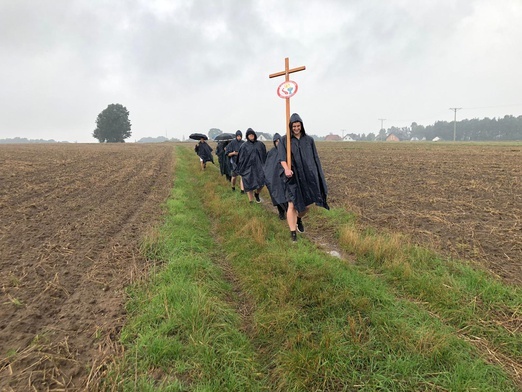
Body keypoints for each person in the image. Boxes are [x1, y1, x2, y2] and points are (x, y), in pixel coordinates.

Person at [278, 113, 329, 241]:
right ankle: (293, 233)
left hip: (306, 177)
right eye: (294, 126)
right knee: (291, 205)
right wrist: (286, 169)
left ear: (301, 126)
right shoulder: (285, 140)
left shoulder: (309, 140)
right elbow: (281, 158)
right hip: (292, 177)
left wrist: (317, 175)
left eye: (298, 126)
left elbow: (315, 159)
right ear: (290, 126)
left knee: (306, 207)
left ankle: (299, 219)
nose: (296, 128)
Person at [236, 128, 267, 203]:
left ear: (255, 135)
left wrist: (265, 166)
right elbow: (240, 158)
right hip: (248, 168)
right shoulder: (244, 146)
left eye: (252, 134)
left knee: (262, 183)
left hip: (259, 167)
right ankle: (251, 201)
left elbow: (264, 155)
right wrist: (241, 169)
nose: (251, 136)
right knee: (249, 185)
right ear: (247, 136)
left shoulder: (260, 144)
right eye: (249, 135)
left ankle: (257, 193)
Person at [263, 133, 288, 219]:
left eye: (279, 141)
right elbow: (267, 165)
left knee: (285, 196)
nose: (277, 143)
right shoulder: (271, 152)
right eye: (276, 141)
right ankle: (281, 213)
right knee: (276, 196)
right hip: (273, 178)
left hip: (284, 178)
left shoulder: (286, 151)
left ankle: (289, 212)